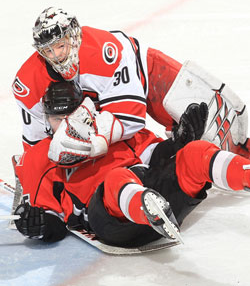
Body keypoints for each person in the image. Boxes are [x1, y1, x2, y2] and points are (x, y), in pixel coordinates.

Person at [13, 81, 250, 247]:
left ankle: (246, 175)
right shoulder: (41, 156)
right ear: (46, 120)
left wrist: (180, 142)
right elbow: (50, 218)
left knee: (197, 152)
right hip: (110, 219)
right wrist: (39, 226)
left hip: (159, 195)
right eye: (57, 119)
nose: (65, 124)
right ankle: (145, 207)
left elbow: (155, 156)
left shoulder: (109, 128)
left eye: (71, 114)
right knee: (116, 179)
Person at [12, 7, 250, 159]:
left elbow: (131, 118)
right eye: (48, 50)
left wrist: (86, 136)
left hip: (147, 73)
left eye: (60, 46)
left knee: (209, 124)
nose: (56, 56)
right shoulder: (29, 80)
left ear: (74, 37)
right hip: (102, 107)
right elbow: (35, 143)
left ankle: (243, 158)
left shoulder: (105, 52)